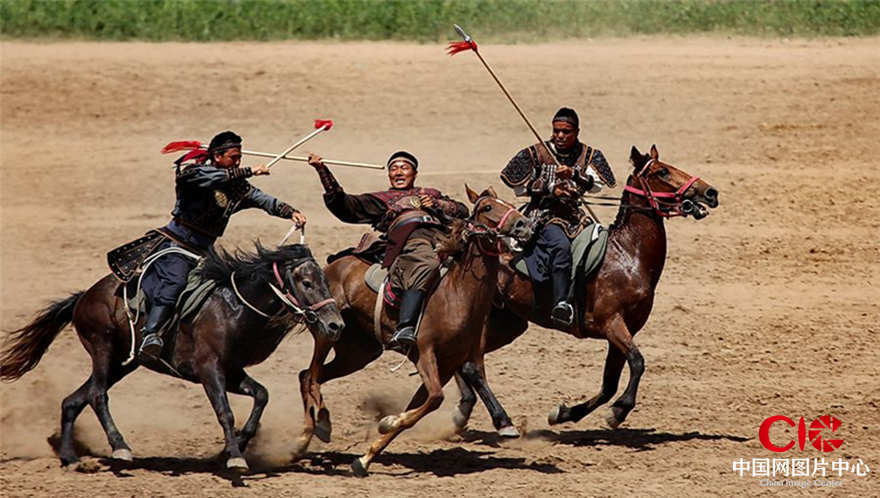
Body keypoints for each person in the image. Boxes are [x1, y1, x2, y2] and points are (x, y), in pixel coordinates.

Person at [137, 131, 306, 361]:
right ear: (217, 156)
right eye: (233, 157)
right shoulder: (193, 174)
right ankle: (152, 333)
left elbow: (262, 199)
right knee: (174, 282)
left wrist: (290, 212)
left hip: (204, 252)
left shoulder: (237, 187)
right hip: (176, 245)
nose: (238, 162)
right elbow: (212, 178)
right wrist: (249, 170)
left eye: (240, 158)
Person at [308, 150, 469, 352]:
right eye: (393, 168)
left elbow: (463, 210)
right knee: (426, 262)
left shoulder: (431, 193)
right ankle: (405, 326)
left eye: (404, 167)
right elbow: (344, 206)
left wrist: (438, 204)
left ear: (415, 174)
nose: (398, 172)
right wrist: (323, 171)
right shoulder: (381, 199)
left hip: (446, 237)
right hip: (411, 240)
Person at [500, 107, 616, 327]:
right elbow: (517, 185)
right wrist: (551, 188)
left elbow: (598, 186)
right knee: (560, 246)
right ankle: (561, 302)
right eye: (556, 131)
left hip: (576, 217)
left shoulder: (589, 155)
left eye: (566, 132)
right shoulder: (536, 152)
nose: (560, 136)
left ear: (576, 132)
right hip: (543, 216)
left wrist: (573, 174)